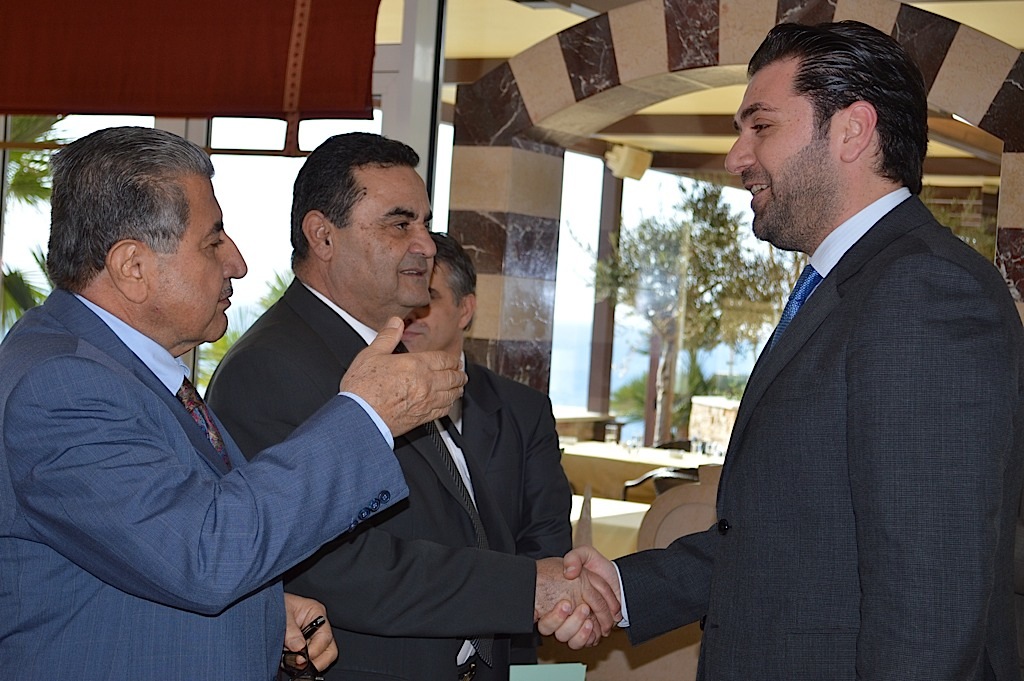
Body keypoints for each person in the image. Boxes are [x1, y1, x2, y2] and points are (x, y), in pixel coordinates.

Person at [543, 20, 1024, 680]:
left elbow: (928, 599)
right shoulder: (851, 285)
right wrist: (625, 589)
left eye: (761, 126)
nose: (736, 157)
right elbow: (786, 536)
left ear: (852, 130)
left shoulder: (923, 290)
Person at [0, 126, 468, 680]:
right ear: (132, 267)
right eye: (213, 241)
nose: (237, 262)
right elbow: (205, 553)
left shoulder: (118, 370)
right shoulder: (62, 387)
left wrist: (262, 614)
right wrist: (366, 414)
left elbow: (148, 549)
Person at [205, 132, 617, 680]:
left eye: (425, 222)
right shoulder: (269, 367)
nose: (425, 244)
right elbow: (334, 566)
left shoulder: (385, 351)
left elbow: (461, 519)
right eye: (400, 225)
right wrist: (527, 589)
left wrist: (545, 586)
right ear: (322, 236)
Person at [402, 231, 574, 663]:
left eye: (428, 297)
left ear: (466, 310)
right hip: (399, 646)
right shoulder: (359, 404)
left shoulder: (524, 411)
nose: (411, 312)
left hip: (502, 646)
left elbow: (548, 538)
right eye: (405, 294)